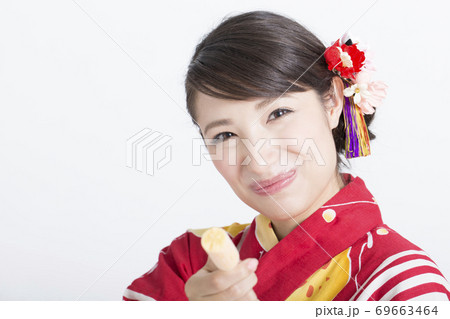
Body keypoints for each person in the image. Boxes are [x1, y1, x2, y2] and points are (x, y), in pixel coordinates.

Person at [123, 10, 450, 301]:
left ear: (333, 101)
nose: (259, 160)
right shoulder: (189, 264)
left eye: (278, 113)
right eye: (225, 135)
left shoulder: (404, 284)